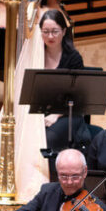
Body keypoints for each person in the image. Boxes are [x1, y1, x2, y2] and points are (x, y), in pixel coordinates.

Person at [38, 9, 90, 151]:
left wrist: (56, 114)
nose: (50, 36)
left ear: (64, 31)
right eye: (45, 31)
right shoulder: (35, 56)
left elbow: (77, 95)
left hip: (68, 112)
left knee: (48, 138)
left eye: (55, 31)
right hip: (42, 112)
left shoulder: (73, 58)